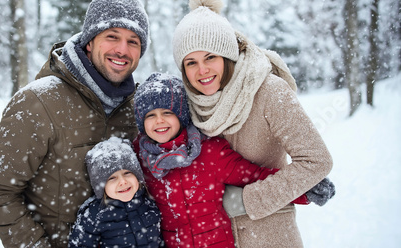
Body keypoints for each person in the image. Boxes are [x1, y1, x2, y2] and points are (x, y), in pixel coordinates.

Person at [0, 0, 149, 248]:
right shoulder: (38, 101)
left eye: (133, 41)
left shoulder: (139, 108)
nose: (122, 49)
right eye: (112, 37)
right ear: (89, 41)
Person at [172, 0, 334, 247]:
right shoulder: (186, 104)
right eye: (191, 62)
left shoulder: (268, 91)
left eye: (210, 57)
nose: (202, 70)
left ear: (227, 55)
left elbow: (317, 161)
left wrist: (247, 201)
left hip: (269, 236)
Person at [132, 72, 329, 248]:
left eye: (167, 113)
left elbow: (255, 176)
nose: (159, 121)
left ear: (181, 115)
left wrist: (304, 189)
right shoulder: (140, 160)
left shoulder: (209, 153)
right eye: (150, 115)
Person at [67, 137, 163, 248]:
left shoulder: (149, 205)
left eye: (127, 173)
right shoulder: (94, 214)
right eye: (112, 178)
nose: (123, 181)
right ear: (101, 186)